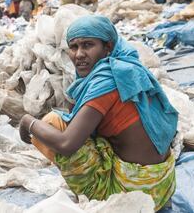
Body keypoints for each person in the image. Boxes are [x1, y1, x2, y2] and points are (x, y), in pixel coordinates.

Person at [19, 15, 178, 211]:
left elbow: (67, 144)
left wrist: (27, 121)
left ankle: (97, 195)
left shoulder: (107, 83)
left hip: (136, 193)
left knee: (53, 123)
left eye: (88, 45)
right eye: (74, 47)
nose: (79, 54)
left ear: (108, 47)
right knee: (73, 124)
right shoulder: (125, 69)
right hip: (162, 183)